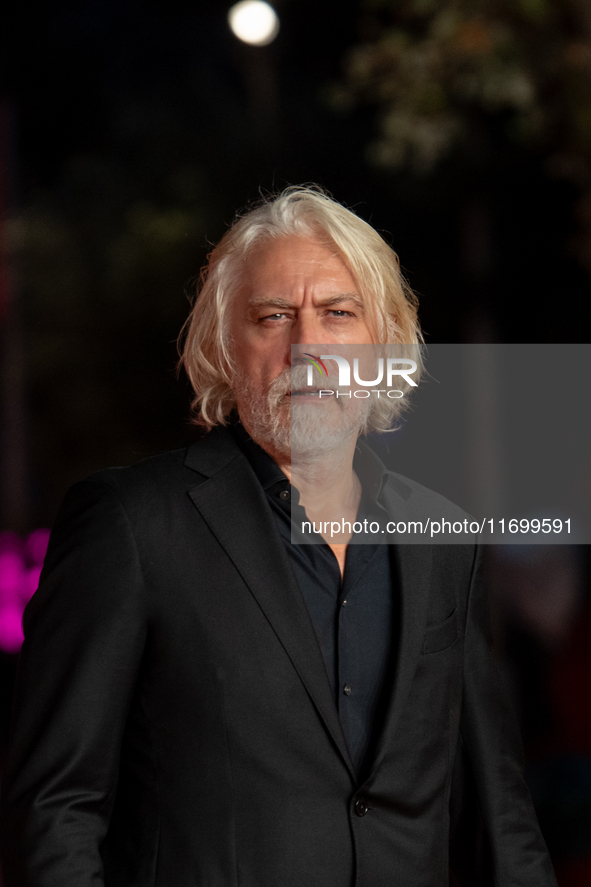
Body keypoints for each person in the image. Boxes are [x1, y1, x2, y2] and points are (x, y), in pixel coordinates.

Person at [0, 186, 557, 887]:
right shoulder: (130, 525)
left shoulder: (443, 537)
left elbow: (495, 815)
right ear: (224, 343)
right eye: (272, 316)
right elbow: (54, 809)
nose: (308, 346)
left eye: (338, 313)